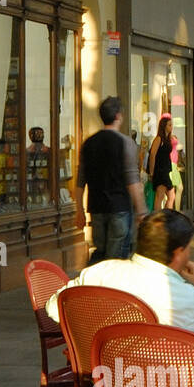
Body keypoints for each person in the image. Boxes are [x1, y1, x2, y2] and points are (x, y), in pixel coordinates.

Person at [71, 209, 194, 332]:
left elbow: (55, 306)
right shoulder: (186, 298)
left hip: (100, 372)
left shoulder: (97, 273)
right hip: (161, 374)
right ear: (178, 254)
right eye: (188, 248)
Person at [75, 96, 146, 263]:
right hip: (120, 208)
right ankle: (109, 288)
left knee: (100, 254)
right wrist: (141, 211)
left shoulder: (88, 143)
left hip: (97, 208)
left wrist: (79, 210)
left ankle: (96, 286)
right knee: (117, 260)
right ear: (118, 116)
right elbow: (132, 180)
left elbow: (80, 181)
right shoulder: (125, 143)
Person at [145, 115, 175, 212]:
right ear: (164, 126)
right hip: (159, 171)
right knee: (160, 196)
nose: (171, 127)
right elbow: (153, 155)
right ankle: (159, 219)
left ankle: (165, 217)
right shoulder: (159, 139)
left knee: (171, 195)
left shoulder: (167, 139)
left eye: (171, 125)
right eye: (169, 125)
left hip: (164, 170)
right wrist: (152, 172)